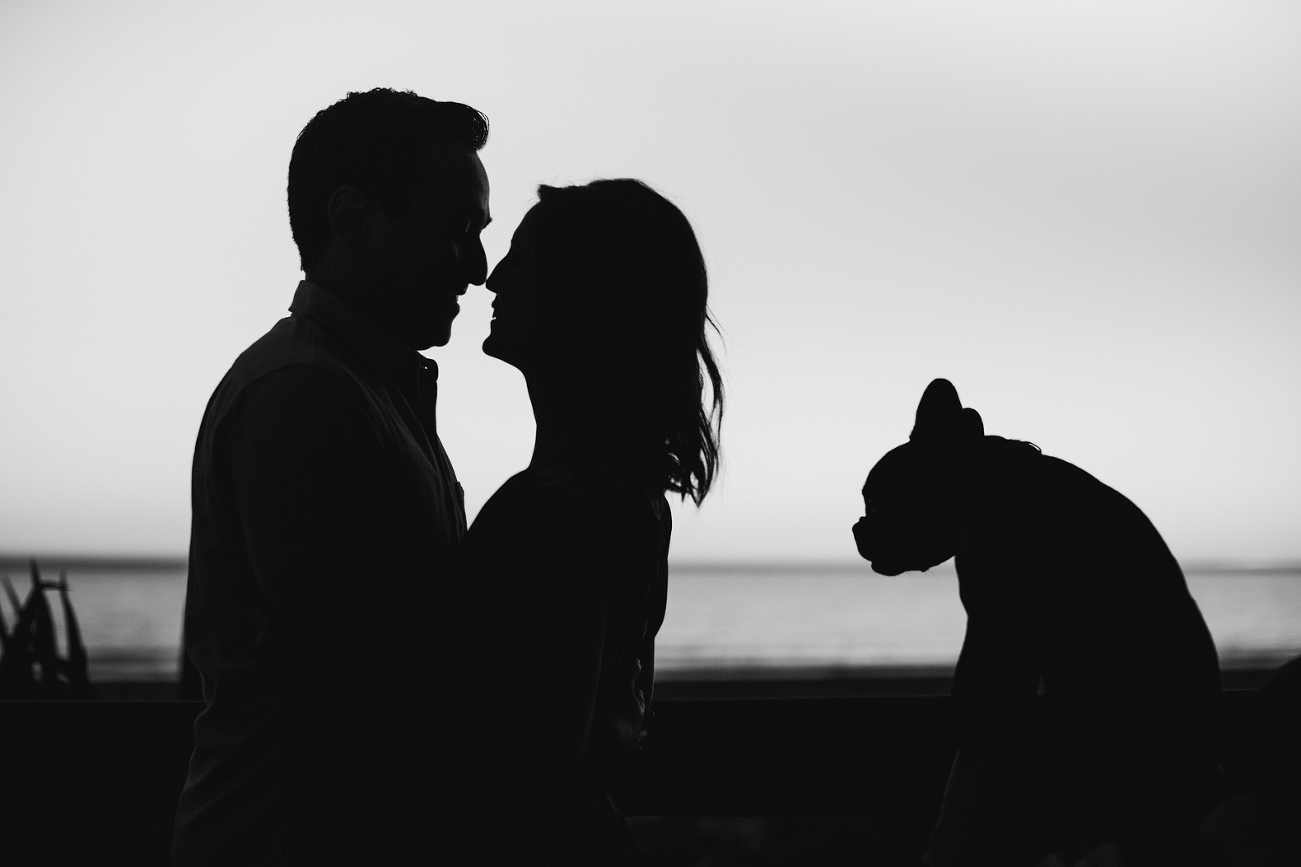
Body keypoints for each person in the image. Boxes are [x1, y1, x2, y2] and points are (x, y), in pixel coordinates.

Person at [172, 88, 491, 865]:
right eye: (454, 230)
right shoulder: (307, 397)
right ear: (353, 221)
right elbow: (357, 681)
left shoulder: (354, 388)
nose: (479, 268)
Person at [445, 179, 723, 864]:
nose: (494, 277)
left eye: (522, 259)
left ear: (583, 296)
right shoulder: (624, 499)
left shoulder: (552, 516)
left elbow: (529, 773)